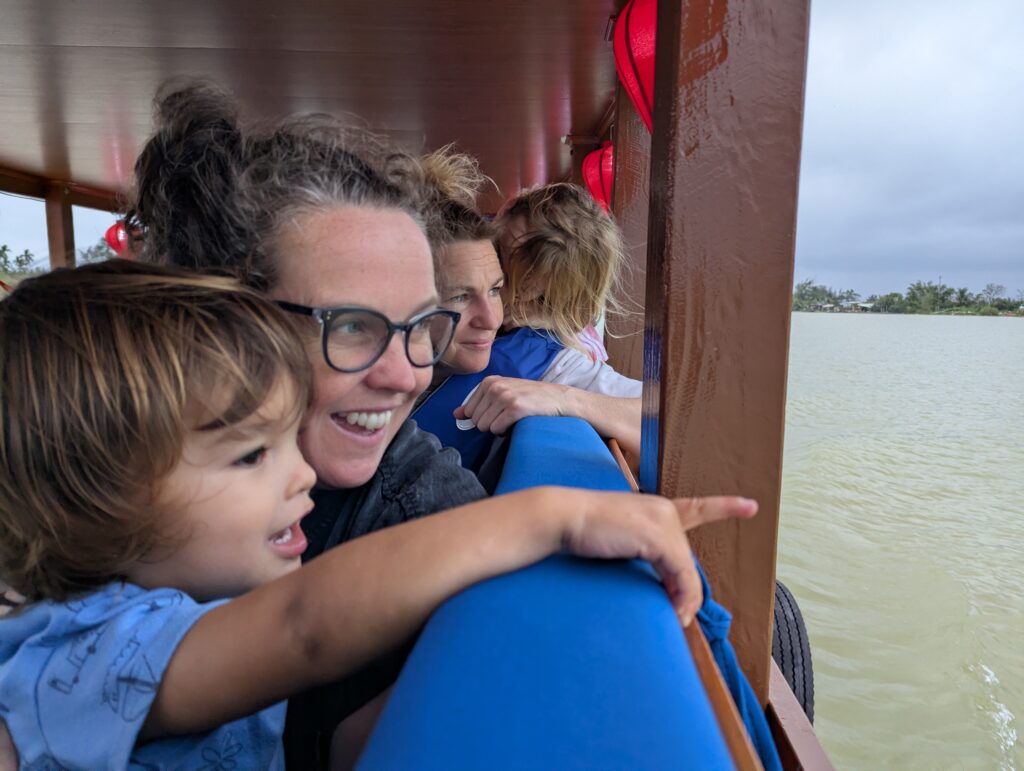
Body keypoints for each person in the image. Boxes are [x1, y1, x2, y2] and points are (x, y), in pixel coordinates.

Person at [0, 261, 757, 768]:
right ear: (98, 499)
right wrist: (547, 516)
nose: (301, 474)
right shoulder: (82, 652)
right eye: (249, 456)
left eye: (285, 436)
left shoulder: (170, 613)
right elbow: (306, 624)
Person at [123, 82, 493, 762]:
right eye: (352, 325)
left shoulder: (414, 504)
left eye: (420, 327)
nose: (406, 372)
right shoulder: (94, 487)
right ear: (227, 322)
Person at [414, 171, 642, 470]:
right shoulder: (448, 242)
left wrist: (566, 399)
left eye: (533, 297)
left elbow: (675, 423)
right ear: (501, 216)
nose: (502, 311)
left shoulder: (553, 361)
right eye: (504, 278)